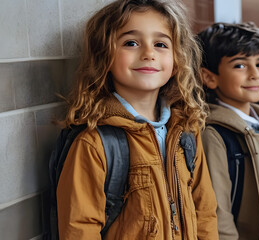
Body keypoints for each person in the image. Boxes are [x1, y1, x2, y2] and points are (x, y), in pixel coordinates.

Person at [56, 0, 218, 239]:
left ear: (176, 62)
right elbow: (79, 228)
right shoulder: (95, 143)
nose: (149, 54)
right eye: (131, 43)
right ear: (105, 56)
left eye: (161, 44)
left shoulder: (185, 131)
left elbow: (205, 213)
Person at [198, 22, 259, 240]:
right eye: (240, 66)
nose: (255, 75)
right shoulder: (213, 133)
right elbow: (218, 211)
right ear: (210, 77)